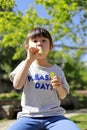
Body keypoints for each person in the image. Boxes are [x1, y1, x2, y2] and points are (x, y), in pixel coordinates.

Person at [8, 27, 80, 130]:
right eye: (35, 40)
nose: (39, 43)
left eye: (44, 40)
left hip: (55, 117)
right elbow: (17, 85)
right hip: (29, 117)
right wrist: (29, 60)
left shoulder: (57, 70)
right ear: (27, 47)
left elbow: (63, 95)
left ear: (51, 46)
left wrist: (59, 87)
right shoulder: (25, 65)